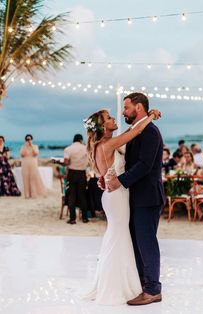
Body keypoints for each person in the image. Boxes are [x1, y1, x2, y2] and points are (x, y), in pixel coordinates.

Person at [83, 99, 161, 305]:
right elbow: (133, 133)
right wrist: (151, 115)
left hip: (119, 194)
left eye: (125, 108)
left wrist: (107, 176)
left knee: (122, 236)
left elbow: (140, 162)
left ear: (138, 107)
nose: (116, 116)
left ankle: (140, 286)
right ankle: (126, 285)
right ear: (102, 126)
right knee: (121, 236)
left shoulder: (103, 144)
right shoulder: (109, 142)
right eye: (109, 118)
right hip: (117, 195)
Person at [107, 92, 165, 306]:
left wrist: (119, 181)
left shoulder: (150, 131)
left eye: (126, 107)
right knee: (138, 243)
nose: (123, 112)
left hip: (148, 197)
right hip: (136, 197)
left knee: (147, 243)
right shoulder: (136, 130)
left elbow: (144, 165)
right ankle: (143, 284)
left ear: (139, 107)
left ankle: (152, 289)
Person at [64, 134, 88, 224]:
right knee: (82, 196)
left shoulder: (68, 149)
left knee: (71, 196)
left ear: (73, 140)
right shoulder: (85, 148)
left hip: (72, 173)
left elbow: (66, 162)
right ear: (81, 140)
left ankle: (72, 218)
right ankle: (85, 218)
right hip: (82, 173)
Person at [20, 134, 46, 198]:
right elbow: (22, 154)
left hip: (33, 164)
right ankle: (27, 194)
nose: (28, 140)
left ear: (32, 139)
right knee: (26, 178)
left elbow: (36, 153)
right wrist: (26, 146)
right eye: (27, 139)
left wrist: (31, 145)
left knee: (33, 178)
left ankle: (34, 194)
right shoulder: (23, 147)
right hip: (25, 164)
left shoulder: (35, 146)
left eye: (29, 139)